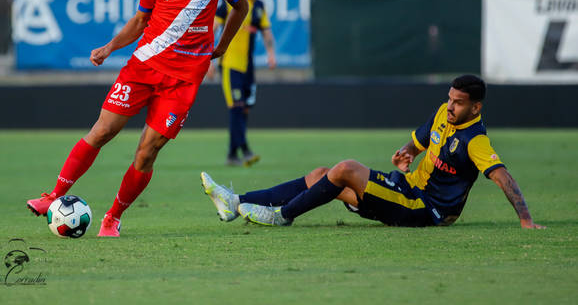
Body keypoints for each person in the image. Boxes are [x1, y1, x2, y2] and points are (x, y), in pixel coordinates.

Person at [26, 0, 249, 237]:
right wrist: (110, 47)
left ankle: (113, 217)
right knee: (102, 131)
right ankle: (53, 196)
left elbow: (241, 6)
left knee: (147, 152)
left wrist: (224, 44)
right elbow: (140, 21)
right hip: (143, 67)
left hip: (185, 80)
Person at [200, 75, 545, 229]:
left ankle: (282, 215)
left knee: (346, 168)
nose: (450, 106)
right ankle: (235, 201)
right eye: (450, 99)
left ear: (476, 107)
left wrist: (526, 220)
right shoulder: (443, 112)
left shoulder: (476, 140)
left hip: (425, 210)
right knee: (322, 174)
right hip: (408, 189)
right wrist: (406, 152)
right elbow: (419, 141)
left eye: (458, 103)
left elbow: (502, 176)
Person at [208, 0, 276, 167]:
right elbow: (213, 28)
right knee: (236, 108)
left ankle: (231, 155)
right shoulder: (229, 4)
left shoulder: (260, 6)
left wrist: (271, 54)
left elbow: (266, 32)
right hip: (229, 65)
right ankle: (245, 150)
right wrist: (209, 60)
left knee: (243, 110)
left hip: (249, 68)